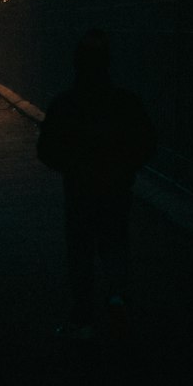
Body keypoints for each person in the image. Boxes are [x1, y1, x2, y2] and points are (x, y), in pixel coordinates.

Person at [36, 28, 157, 340]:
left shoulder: (66, 103)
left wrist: (71, 166)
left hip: (79, 189)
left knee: (80, 251)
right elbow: (146, 142)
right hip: (117, 187)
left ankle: (83, 317)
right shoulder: (124, 102)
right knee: (115, 242)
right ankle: (118, 298)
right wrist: (125, 167)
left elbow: (46, 150)